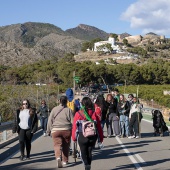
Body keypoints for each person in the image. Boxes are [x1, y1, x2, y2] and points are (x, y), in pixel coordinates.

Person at [72, 97, 103, 170]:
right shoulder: (93, 113)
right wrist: (100, 138)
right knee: (89, 151)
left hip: (82, 135)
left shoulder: (78, 113)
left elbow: (74, 127)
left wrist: (74, 138)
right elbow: (98, 127)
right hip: (92, 135)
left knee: (83, 151)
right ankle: (89, 164)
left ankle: (86, 164)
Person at [46, 95, 73, 168]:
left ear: (59, 101)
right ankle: (65, 161)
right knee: (66, 145)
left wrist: (48, 130)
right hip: (66, 129)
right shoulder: (69, 110)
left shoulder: (54, 109)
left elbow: (50, 120)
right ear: (67, 101)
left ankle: (58, 157)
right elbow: (72, 121)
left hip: (56, 130)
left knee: (57, 145)